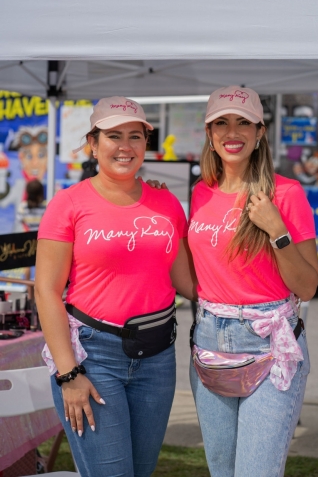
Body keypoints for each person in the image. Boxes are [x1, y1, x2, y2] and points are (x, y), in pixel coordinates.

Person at [35, 96, 197, 477]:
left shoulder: (167, 203)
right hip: (94, 358)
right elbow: (45, 291)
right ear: (93, 143)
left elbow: (188, 281)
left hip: (157, 359)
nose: (125, 146)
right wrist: (69, 374)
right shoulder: (68, 203)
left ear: (146, 143)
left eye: (135, 136)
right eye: (114, 136)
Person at [188, 86, 318, 477]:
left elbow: (308, 286)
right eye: (222, 123)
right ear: (209, 134)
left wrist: (277, 229)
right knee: (222, 470)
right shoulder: (200, 193)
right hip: (210, 342)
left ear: (260, 131)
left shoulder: (287, 193)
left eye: (243, 122)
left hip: (270, 342)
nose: (233, 132)